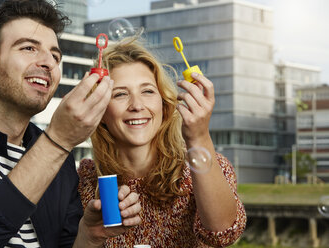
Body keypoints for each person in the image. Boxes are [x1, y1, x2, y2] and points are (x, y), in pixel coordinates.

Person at [0, 0, 141, 247]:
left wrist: (88, 234)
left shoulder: (61, 161)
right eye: (28, 48)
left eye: (55, 55)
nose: (48, 63)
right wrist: (57, 141)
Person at [78, 37, 247, 247]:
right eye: (120, 94)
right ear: (100, 110)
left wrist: (199, 137)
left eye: (147, 91)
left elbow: (222, 234)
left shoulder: (203, 168)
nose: (137, 105)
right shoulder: (86, 180)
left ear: (164, 104)